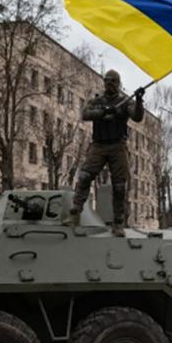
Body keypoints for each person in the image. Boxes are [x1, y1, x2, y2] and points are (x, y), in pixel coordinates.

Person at [63, 69, 145, 236]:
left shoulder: (125, 102)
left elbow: (137, 116)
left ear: (118, 83)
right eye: (107, 81)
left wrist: (138, 101)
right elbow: (85, 114)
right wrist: (104, 112)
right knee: (85, 176)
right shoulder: (97, 101)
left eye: (113, 81)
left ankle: (118, 223)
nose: (109, 84)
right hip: (99, 145)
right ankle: (75, 213)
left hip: (117, 146)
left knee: (119, 186)